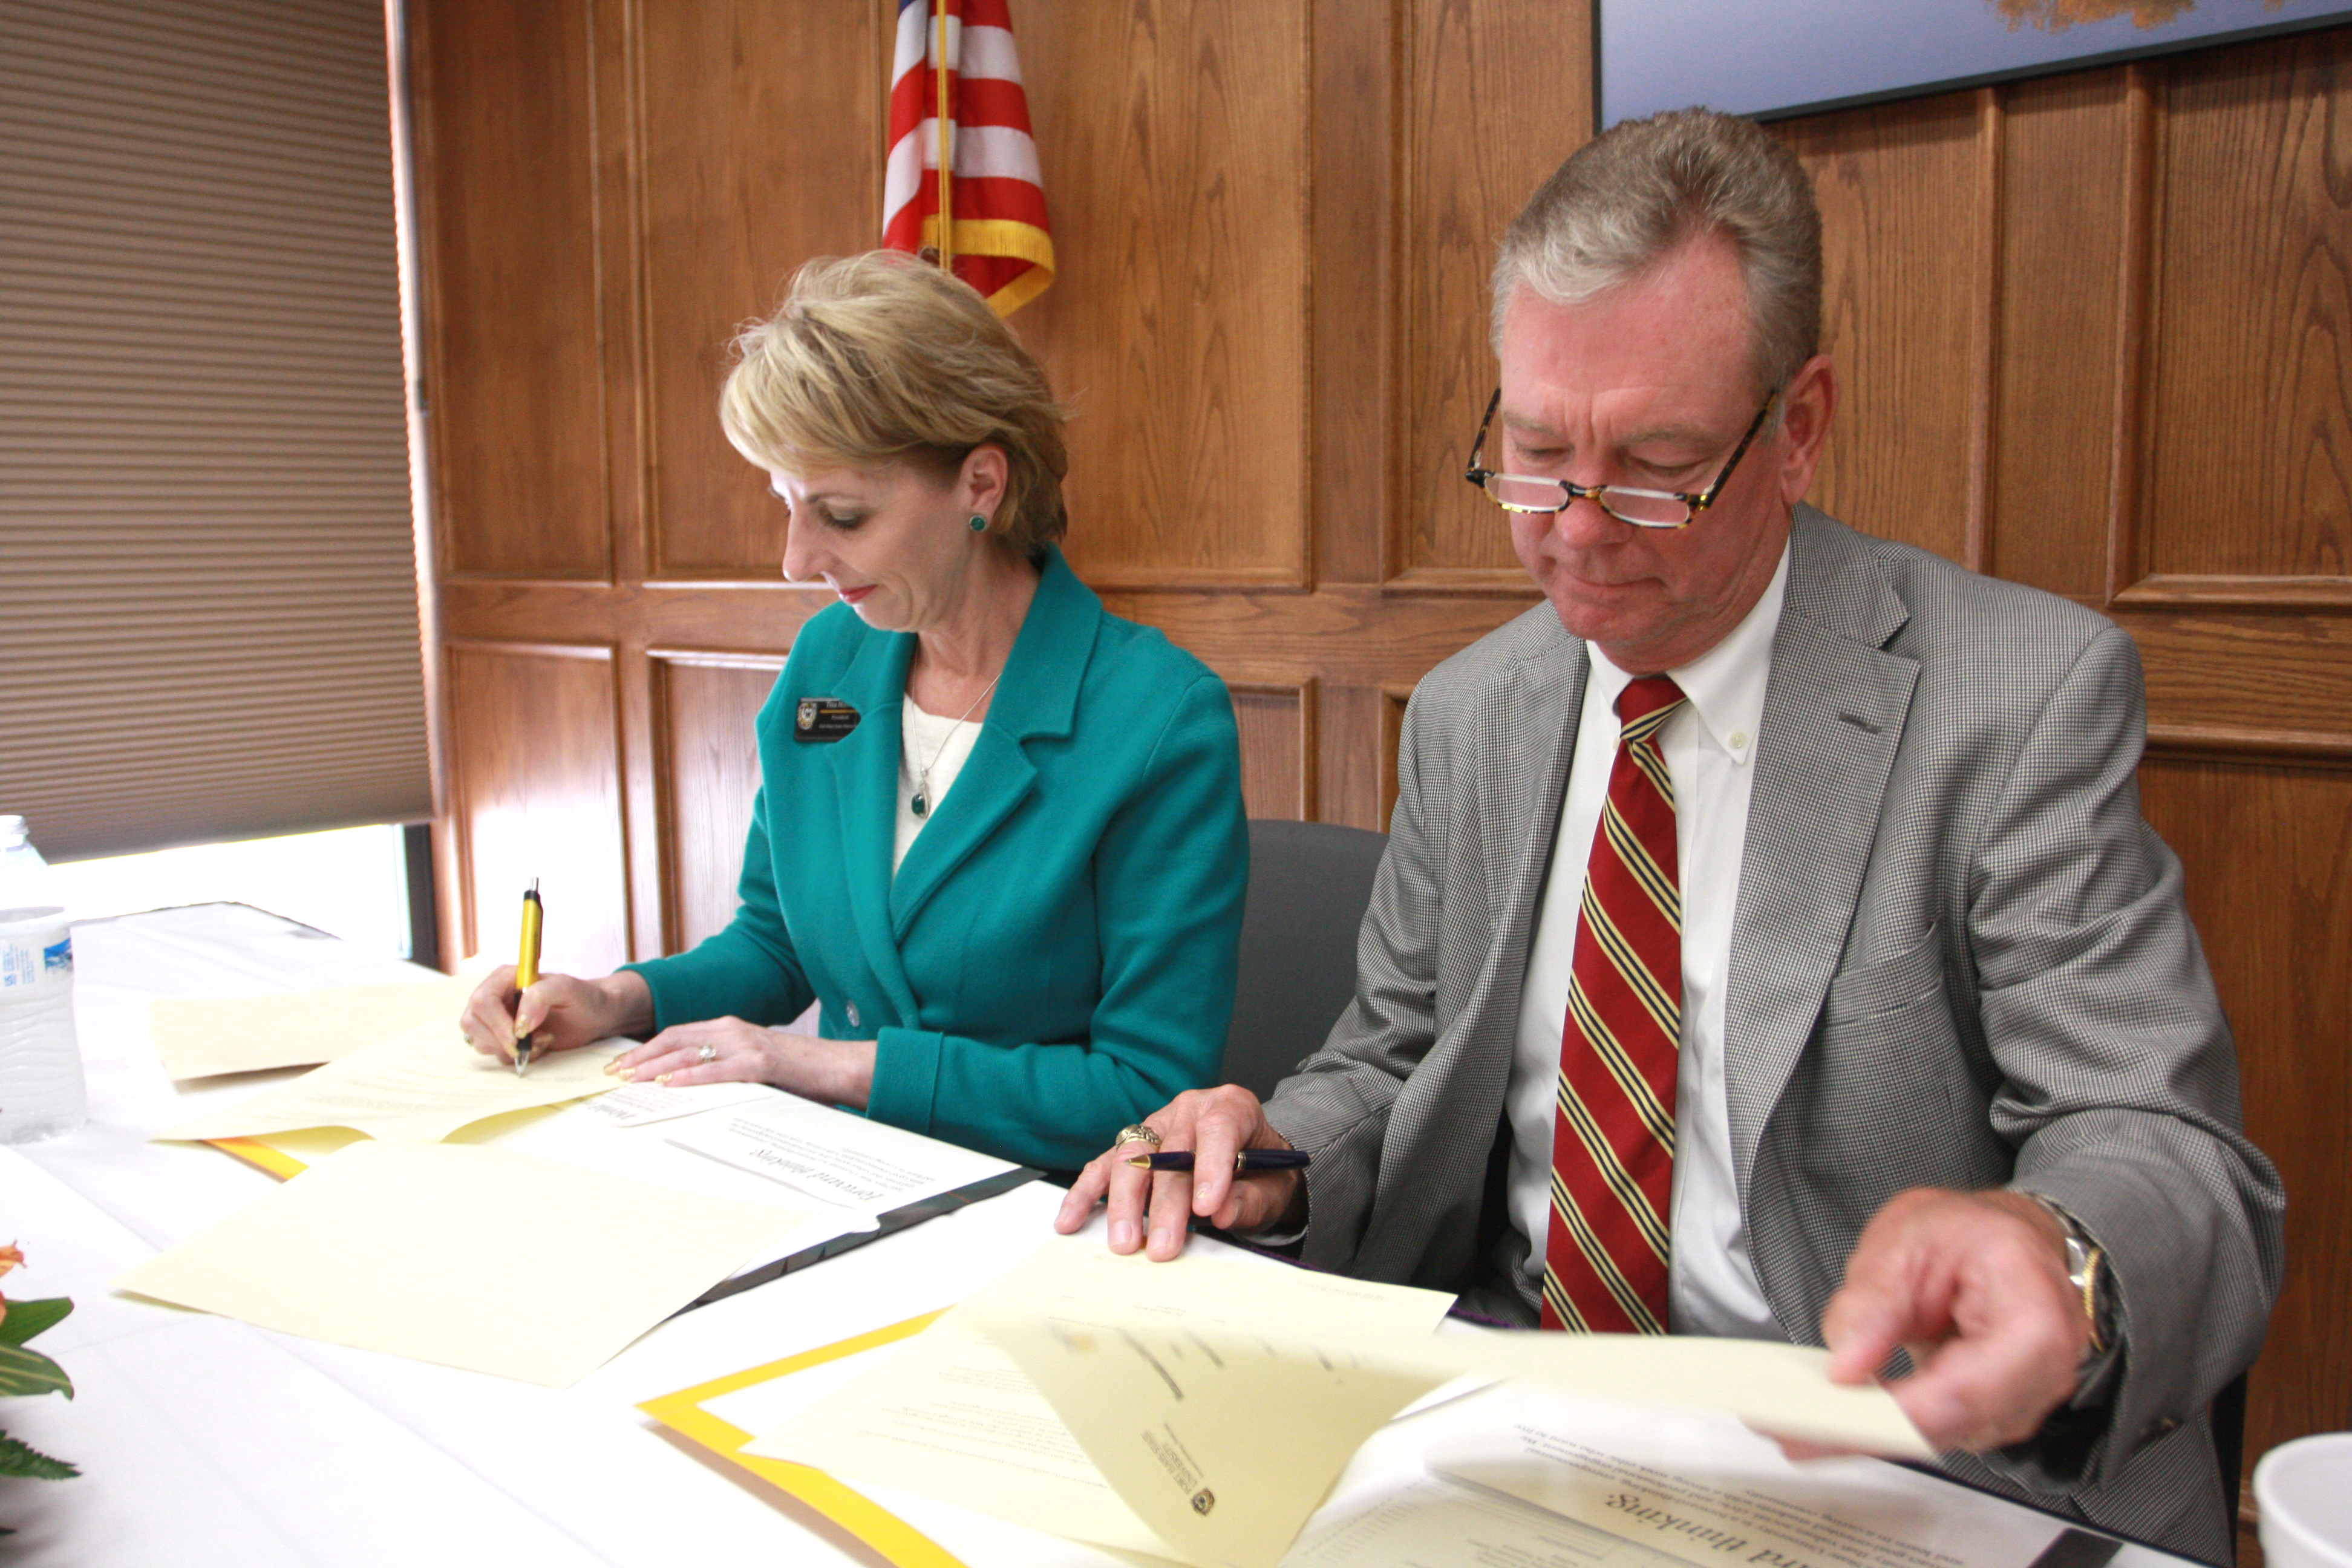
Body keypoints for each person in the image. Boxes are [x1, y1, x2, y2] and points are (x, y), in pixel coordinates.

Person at [1055, 109, 2282, 1560]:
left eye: (1655, 466)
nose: (1574, 529)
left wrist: (2057, 1255)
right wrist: (1277, 1152)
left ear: (1800, 426)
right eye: (1533, 451)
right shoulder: (1472, 713)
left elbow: (2159, 1137)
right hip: (1511, 1425)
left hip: (1867, 1467)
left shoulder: (2009, 700)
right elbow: (1395, 1051)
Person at [461, 250, 1249, 1173]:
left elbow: (1140, 1093)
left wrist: (831, 1065)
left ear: (981, 486)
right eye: (786, 506)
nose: (797, 561)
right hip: (827, 1172)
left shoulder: (1158, 719)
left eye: (840, 516)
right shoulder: (828, 665)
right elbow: (776, 942)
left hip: (1040, 1210)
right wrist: (612, 999)